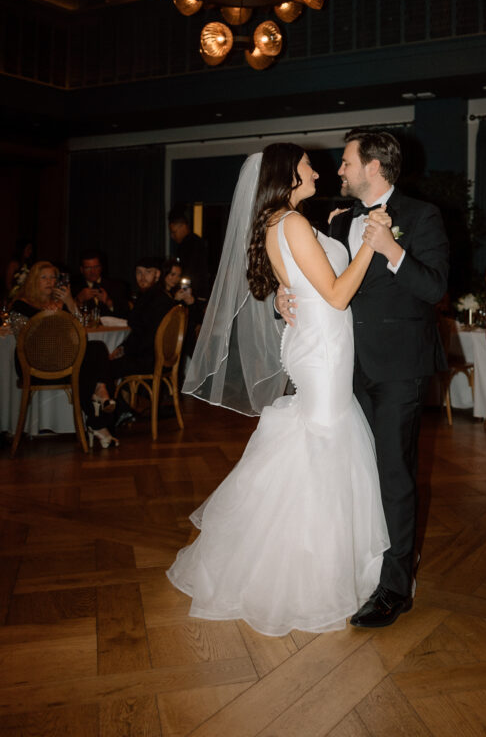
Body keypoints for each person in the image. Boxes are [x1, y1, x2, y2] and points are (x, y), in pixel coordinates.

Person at [167, 144, 391, 636]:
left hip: (318, 341)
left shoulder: (287, 221)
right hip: (322, 347)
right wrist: (373, 245)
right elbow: (335, 293)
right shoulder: (287, 222)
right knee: (327, 441)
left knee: (319, 440)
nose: (317, 168)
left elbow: (305, 285)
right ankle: (311, 576)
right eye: (308, 163)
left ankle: (306, 559)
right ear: (289, 173)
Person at [277, 129, 449, 628]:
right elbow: (322, 285)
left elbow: (435, 287)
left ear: (374, 166)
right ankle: (365, 563)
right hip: (344, 367)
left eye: (347, 162)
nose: (340, 171)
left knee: (394, 473)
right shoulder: (339, 219)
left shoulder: (422, 216)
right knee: (357, 471)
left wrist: (393, 251)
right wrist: (280, 302)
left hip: (399, 367)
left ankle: (395, 588)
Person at [10, 261, 129, 448]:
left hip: (64, 360)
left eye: (53, 277)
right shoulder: (20, 305)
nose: (50, 281)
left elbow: (80, 330)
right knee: (87, 362)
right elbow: (27, 340)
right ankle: (99, 414)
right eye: (44, 277)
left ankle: (100, 397)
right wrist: (48, 317)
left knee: (95, 349)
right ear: (34, 280)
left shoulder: (60, 304)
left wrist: (69, 302)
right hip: (34, 363)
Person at [109, 255, 173, 380]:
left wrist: (126, 351)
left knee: (102, 366)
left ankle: (106, 398)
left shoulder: (157, 299)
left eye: (148, 272)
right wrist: (122, 348)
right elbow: (140, 332)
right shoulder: (148, 296)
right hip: (151, 357)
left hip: (151, 360)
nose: (142, 277)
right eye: (139, 272)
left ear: (157, 274)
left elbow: (149, 337)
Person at [72, 249, 129, 319]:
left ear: (101, 267)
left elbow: (127, 314)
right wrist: (78, 300)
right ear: (81, 270)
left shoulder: (117, 286)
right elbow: (67, 317)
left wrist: (109, 302)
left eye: (96, 267)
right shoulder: (73, 287)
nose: (92, 271)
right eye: (88, 268)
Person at [168, 205, 210, 300]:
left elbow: (190, 270)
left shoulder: (194, 244)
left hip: (195, 293)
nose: (172, 236)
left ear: (183, 226)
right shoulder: (188, 243)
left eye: (174, 232)